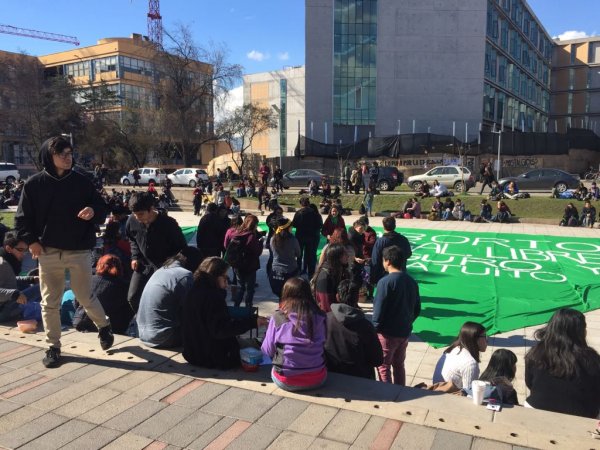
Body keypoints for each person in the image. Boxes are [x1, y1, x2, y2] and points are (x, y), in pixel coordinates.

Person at [15, 135, 113, 368]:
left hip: (78, 249)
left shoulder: (82, 181)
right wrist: (31, 242)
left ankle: (104, 326)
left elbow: (101, 207)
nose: (68, 158)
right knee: (50, 302)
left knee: (84, 295)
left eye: (70, 154)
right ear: (50, 157)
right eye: (63, 154)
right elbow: (22, 220)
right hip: (47, 251)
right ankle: (53, 347)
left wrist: (92, 210)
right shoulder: (34, 184)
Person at [183, 257, 268, 369]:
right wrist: (252, 322)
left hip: (192, 352)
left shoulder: (194, 290)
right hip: (211, 357)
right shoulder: (213, 297)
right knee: (255, 346)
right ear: (216, 276)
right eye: (225, 277)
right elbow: (221, 330)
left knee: (247, 342)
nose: (227, 282)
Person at [525, 308, 600, 418]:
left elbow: (529, 383)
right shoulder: (592, 359)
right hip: (582, 416)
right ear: (580, 331)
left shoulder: (536, 353)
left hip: (536, 407)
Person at [261, 277, 327, 391]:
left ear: (285, 295)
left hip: (286, 380)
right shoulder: (321, 316)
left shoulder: (278, 318)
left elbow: (267, 350)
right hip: (318, 378)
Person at [126, 192, 187, 313]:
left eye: (141, 214)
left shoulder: (169, 224)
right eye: (135, 214)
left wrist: (171, 266)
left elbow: (181, 248)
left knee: (162, 299)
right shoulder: (132, 221)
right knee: (133, 297)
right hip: (143, 264)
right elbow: (132, 238)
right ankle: (141, 319)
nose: (137, 217)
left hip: (164, 266)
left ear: (151, 209)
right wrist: (135, 256)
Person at [372, 246, 421, 385]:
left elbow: (378, 311)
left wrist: (374, 330)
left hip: (387, 334)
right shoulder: (411, 281)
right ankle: (401, 390)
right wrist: (408, 322)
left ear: (387, 261)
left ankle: (387, 394)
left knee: (383, 366)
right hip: (404, 332)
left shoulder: (385, 282)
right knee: (399, 365)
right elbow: (417, 308)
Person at [137, 247, 203, 348]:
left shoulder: (162, 270)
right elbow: (193, 309)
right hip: (163, 337)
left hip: (143, 333)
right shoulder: (185, 275)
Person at [325, 279, 383, 379]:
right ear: (357, 298)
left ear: (337, 297)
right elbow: (377, 360)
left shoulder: (324, 320)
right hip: (360, 379)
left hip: (331, 375)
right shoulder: (366, 326)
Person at [76, 254, 133, 335]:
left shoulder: (88, 280)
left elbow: (77, 301)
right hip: (113, 327)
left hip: (84, 324)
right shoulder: (124, 286)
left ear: (99, 265)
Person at [432, 322, 488, 389]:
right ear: (475, 339)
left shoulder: (454, 349)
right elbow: (469, 393)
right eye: (484, 336)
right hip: (446, 396)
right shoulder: (470, 364)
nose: (487, 339)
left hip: (437, 388)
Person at [224, 214, 263, 308]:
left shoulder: (237, 233)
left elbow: (227, 246)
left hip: (237, 265)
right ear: (254, 225)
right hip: (250, 266)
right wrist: (261, 242)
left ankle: (236, 306)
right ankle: (248, 307)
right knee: (250, 289)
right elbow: (257, 252)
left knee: (241, 287)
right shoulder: (251, 236)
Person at [0, 232, 40, 322]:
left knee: (33, 285)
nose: (24, 254)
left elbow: (9, 280)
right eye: (20, 249)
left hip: (5, 302)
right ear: (8, 248)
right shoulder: (2, 262)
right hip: (2, 311)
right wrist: (14, 294)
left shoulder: (11, 259)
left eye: (26, 250)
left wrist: (30, 279)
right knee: (42, 287)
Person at [370, 216, 412, 283]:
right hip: (401, 272)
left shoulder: (380, 242)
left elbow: (375, 260)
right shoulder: (403, 239)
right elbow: (408, 253)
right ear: (395, 226)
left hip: (384, 275)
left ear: (383, 226)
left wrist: (373, 278)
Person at [312, 243, 350, 312]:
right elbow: (326, 307)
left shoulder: (340, 270)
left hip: (338, 311)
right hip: (327, 317)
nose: (348, 256)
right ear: (337, 257)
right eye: (345, 254)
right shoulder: (325, 277)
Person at [269, 217, 301, 298]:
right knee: (290, 294)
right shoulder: (293, 240)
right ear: (287, 228)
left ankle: (281, 306)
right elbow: (298, 254)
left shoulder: (273, 239)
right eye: (291, 227)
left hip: (275, 271)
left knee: (280, 294)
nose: (292, 228)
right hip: (290, 271)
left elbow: (273, 252)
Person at [292, 197, 323, 278]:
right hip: (311, 237)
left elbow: (294, 224)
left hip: (300, 236)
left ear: (300, 204)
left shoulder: (298, 213)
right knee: (311, 256)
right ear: (308, 203)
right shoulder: (315, 213)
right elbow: (320, 225)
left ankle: (298, 273)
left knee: (299, 255)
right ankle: (311, 274)